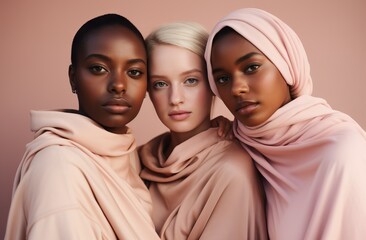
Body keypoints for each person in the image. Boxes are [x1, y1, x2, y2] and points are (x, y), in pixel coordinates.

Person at [205, 8, 366, 240]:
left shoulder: (341, 152)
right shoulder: (234, 146)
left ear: (286, 65)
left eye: (251, 67)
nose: (236, 88)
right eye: (223, 78)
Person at [5, 14, 160, 240]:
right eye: (98, 68)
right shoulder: (59, 167)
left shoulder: (127, 155)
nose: (118, 84)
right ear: (73, 78)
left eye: (134, 72)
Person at [138, 22, 268, 240]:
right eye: (160, 84)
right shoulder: (140, 159)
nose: (176, 98)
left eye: (191, 80)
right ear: (147, 91)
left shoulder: (232, 171)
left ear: (213, 84)